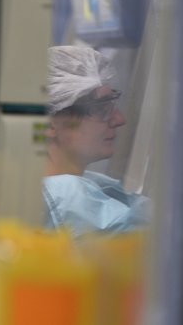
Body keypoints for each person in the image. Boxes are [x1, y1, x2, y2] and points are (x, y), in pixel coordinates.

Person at [43, 45, 151, 238]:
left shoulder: (93, 185)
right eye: (102, 109)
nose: (119, 120)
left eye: (113, 106)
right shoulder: (64, 200)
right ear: (50, 124)